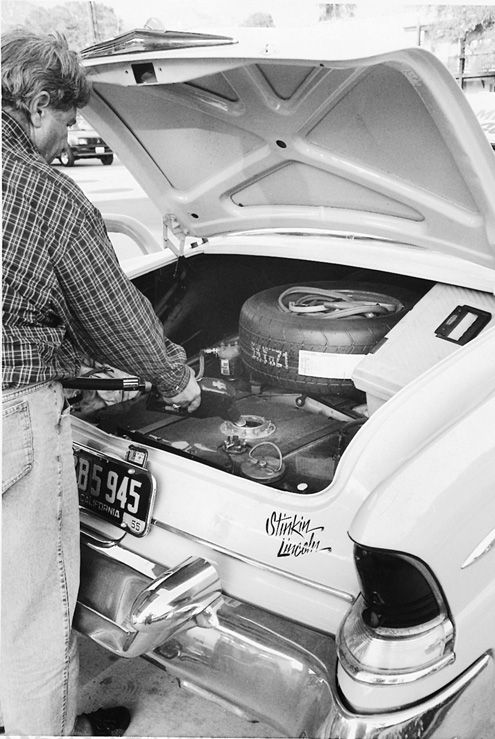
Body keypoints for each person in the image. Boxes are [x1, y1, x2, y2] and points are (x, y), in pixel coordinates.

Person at [1, 30, 201, 736]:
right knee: (32, 613)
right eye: (67, 120)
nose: (67, 139)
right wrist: (174, 379)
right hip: (10, 416)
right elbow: (113, 316)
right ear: (36, 104)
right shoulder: (46, 196)